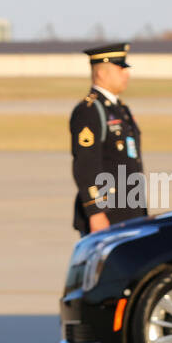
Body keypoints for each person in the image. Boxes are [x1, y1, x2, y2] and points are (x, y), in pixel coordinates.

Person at [70, 43, 147, 235]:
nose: (126, 74)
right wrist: (95, 212)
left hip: (129, 212)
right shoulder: (89, 111)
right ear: (102, 74)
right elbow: (85, 165)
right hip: (108, 216)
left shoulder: (120, 109)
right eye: (120, 69)